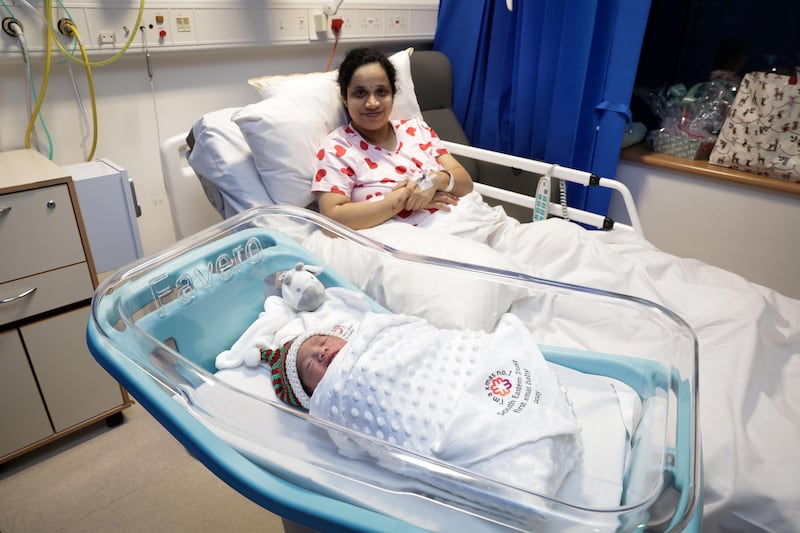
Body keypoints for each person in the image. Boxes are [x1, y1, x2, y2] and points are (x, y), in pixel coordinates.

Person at [312, 47, 474, 229]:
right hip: (412, 238)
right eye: (360, 93)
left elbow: (465, 184)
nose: (372, 103)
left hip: (466, 218)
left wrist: (434, 181)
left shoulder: (417, 129)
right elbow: (334, 218)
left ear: (393, 94)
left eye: (381, 92)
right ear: (344, 97)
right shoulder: (337, 148)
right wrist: (406, 197)